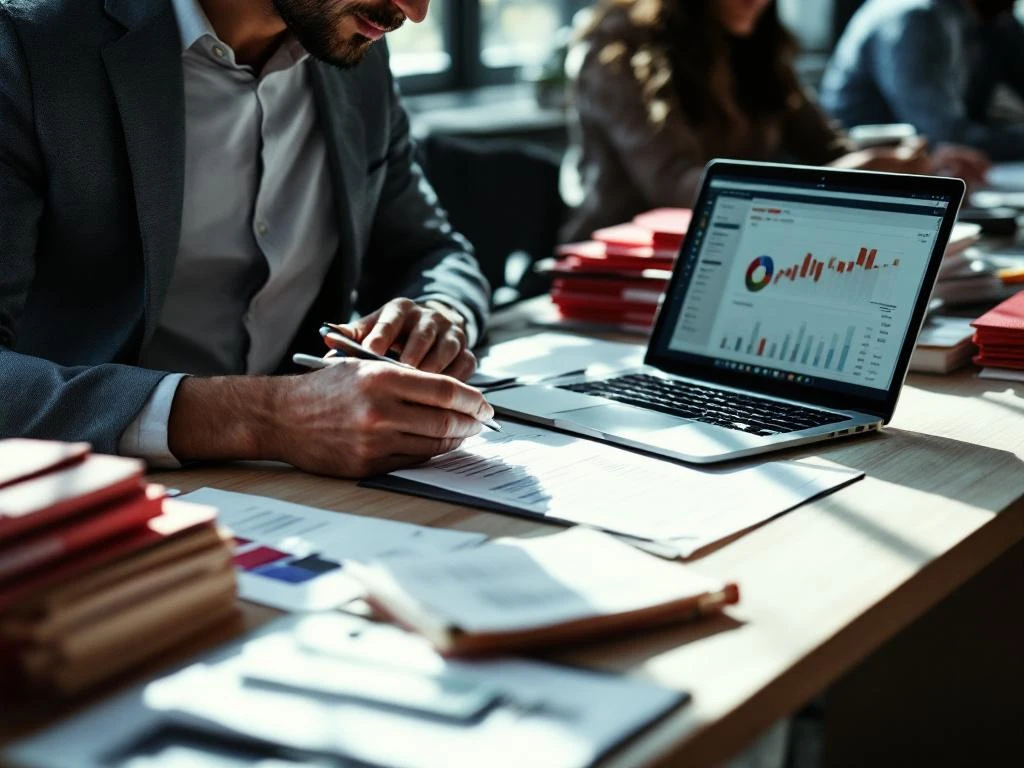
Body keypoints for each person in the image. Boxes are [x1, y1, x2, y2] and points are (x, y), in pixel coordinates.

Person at [0, 0, 496, 479]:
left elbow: (433, 251)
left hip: (304, 490)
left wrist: (440, 316)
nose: (415, 11)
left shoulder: (353, 47)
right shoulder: (29, 43)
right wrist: (266, 418)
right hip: (88, 500)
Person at [559, 0, 988, 243]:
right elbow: (675, 186)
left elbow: (829, 149)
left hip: (738, 252)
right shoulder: (618, 49)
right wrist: (834, 178)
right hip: (625, 270)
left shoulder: (756, 43)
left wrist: (910, 160)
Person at [820, 0, 1024, 161]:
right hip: (872, 178)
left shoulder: (996, 18)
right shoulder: (915, 16)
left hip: (939, 171)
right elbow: (944, 135)